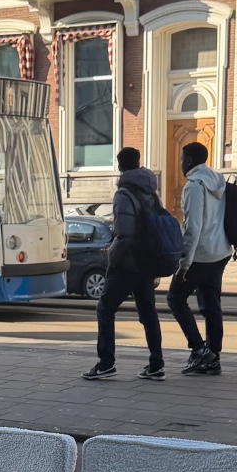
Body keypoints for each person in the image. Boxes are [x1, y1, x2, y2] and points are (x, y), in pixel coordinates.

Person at [82, 146, 165, 381]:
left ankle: (106, 362)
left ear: (119, 166)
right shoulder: (150, 191)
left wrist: (113, 256)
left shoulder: (124, 194)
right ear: (138, 163)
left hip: (128, 263)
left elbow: (125, 234)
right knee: (148, 313)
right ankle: (156, 364)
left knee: (105, 308)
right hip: (148, 261)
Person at [167, 140, 231, 376]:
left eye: (182, 159)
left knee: (175, 298)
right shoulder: (219, 181)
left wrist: (184, 263)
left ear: (190, 161)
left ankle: (198, 349)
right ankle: (213, 357)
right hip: (221, 251)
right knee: (212, 306)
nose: (181, 163)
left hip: (202, 254)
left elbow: (192, 227)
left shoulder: (194, 186)